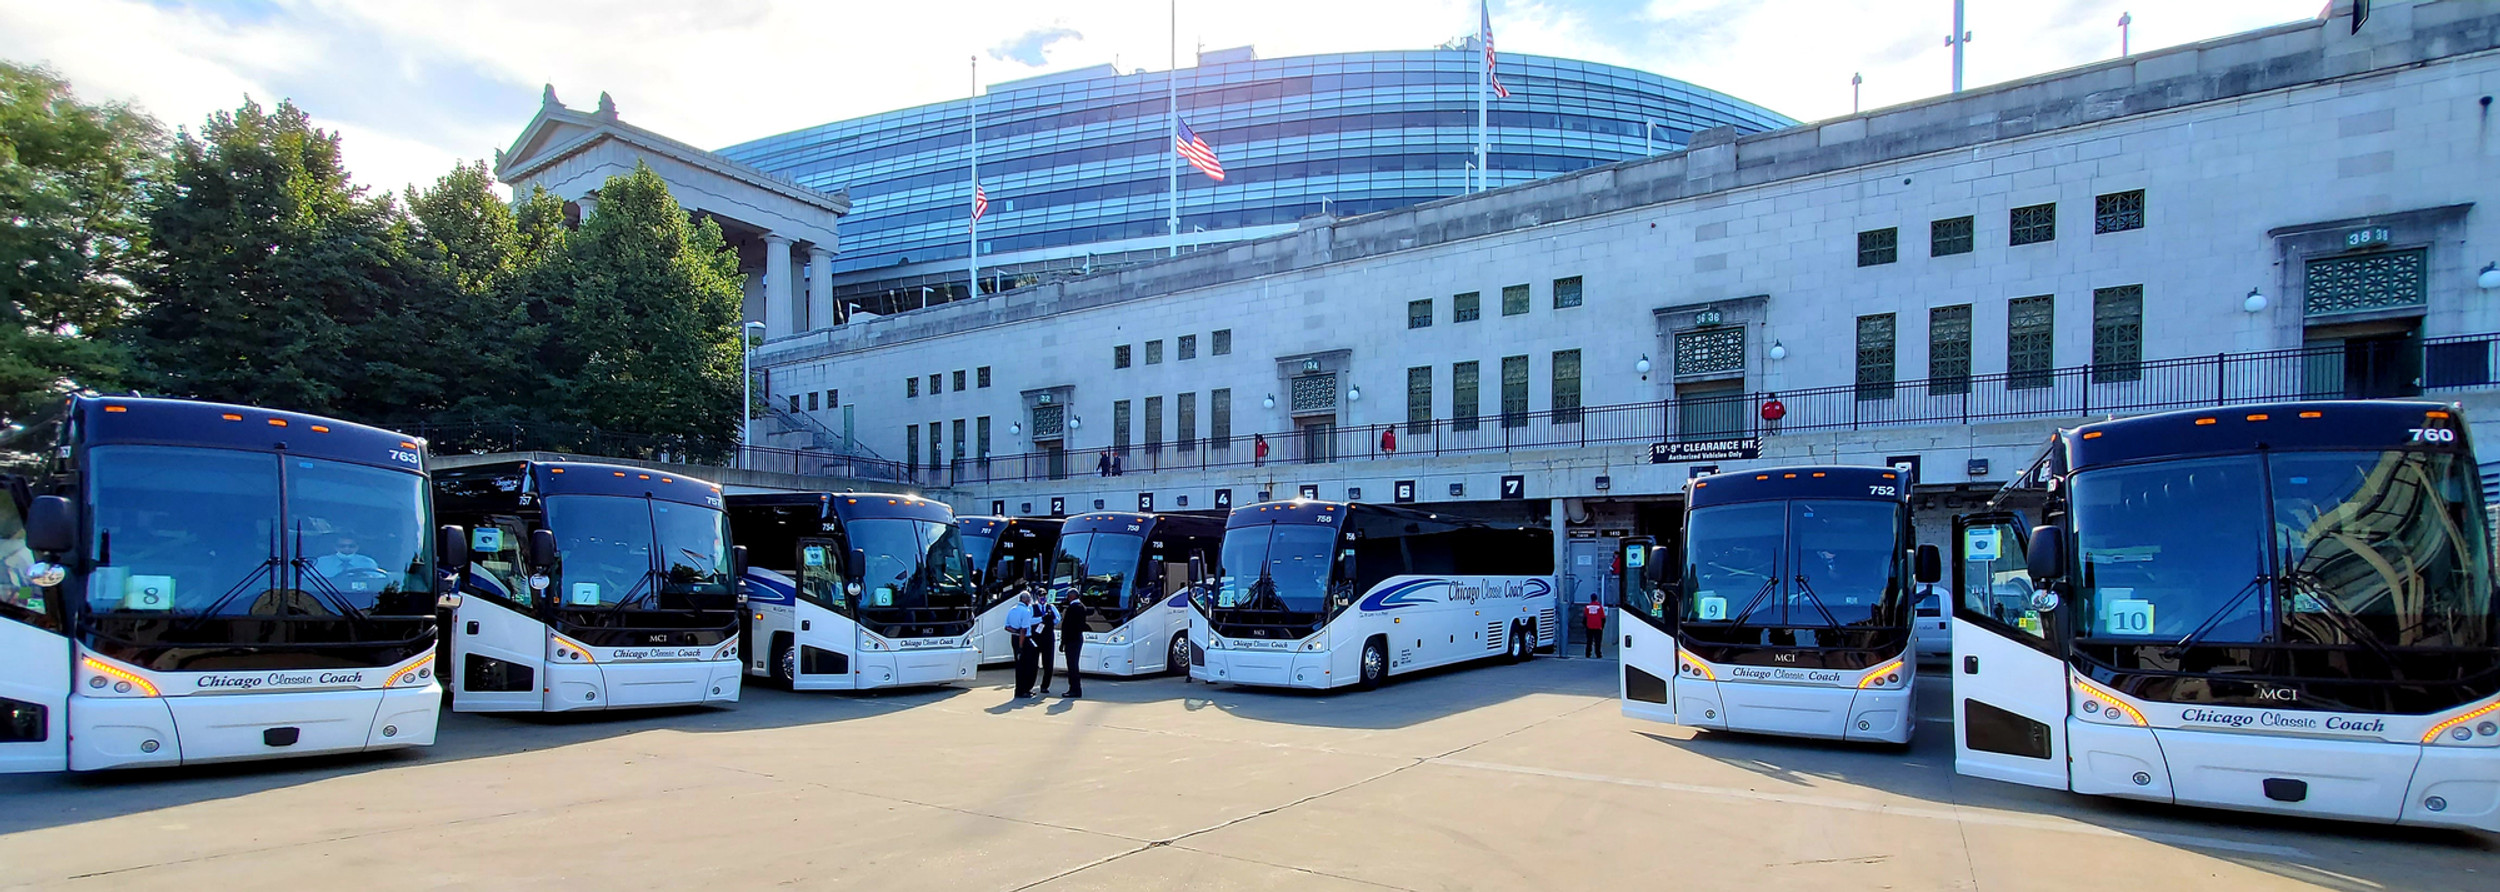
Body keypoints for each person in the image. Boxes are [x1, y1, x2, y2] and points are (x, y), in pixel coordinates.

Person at [1005, 592, 1040, 698]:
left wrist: (1016, 631)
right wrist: (1021, 646)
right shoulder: (1025, 611)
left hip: (1014, 637)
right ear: (1027, 600)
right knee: (1029, 666)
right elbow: (1024, 630)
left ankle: (1019, 690)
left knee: (1019, 666)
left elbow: (1007, 627)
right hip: (1023, 640)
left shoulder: (1012, 610)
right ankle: (1025, 689)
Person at [1059, 591, 1090, 697]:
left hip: (1071, 640)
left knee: (1072, 666)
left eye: (1068, 596)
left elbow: (1066, 627)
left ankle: (1074, 689)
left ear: (1071, 597)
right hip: (1078, 638)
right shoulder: (1082, 607)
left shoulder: (1072, 609)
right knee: (1074, 664)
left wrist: (1062, 642)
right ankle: (1075, 689)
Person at [314, 536, 383, 578]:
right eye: (342, 546)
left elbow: (379, 582)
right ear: (335, 547)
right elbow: (306, 580)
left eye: (351, 546)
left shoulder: (368, 563)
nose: (346, 549)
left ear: (357, 547)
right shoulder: (321, 562)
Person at [1034, 591, 1059, 694]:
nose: (1042, 598)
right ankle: (1030, 685)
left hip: (1048, 636)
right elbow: (1029, 620)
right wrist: (1041, 619)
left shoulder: (1051, 607)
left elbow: (1058, 619)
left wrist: (1050, 620)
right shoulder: (1033, 607)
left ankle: (1045, 686)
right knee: (1033, 663)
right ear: (1037, 597)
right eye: (1041, 596)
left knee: (1048, 663)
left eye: (1044, 595)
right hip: (1037, 637)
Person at [1581, 594, 1607, 658]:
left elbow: (1585, 617)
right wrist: (1602, 626)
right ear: (1596, 598)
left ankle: (1587, 653)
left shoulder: (1587, 607)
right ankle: (1598, 654)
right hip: (1598, 626)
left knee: (1589, 640)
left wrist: (1585, 625)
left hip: (1589, 626)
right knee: (1597, 641)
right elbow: (1603, 617)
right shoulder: (1599, 607)